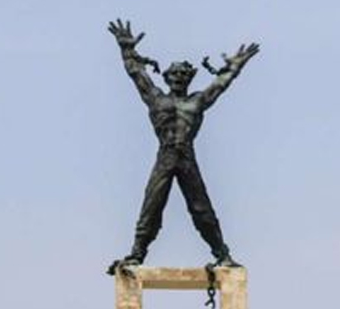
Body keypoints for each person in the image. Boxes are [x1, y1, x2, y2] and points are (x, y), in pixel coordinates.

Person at [105, 18, 260, 270]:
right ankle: (137, 253)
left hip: (187, 156)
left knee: (202, 208)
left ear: (189, 78)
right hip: (165, 155)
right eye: (174, 73)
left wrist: (236, 67)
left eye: (183, 74)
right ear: (166, 77)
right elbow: (137, 74)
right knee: (151, 206)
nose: (178, 77)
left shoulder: (196, 102)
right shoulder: (156, 99)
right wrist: (126, 49)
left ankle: (222, 253)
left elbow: (220, 85)